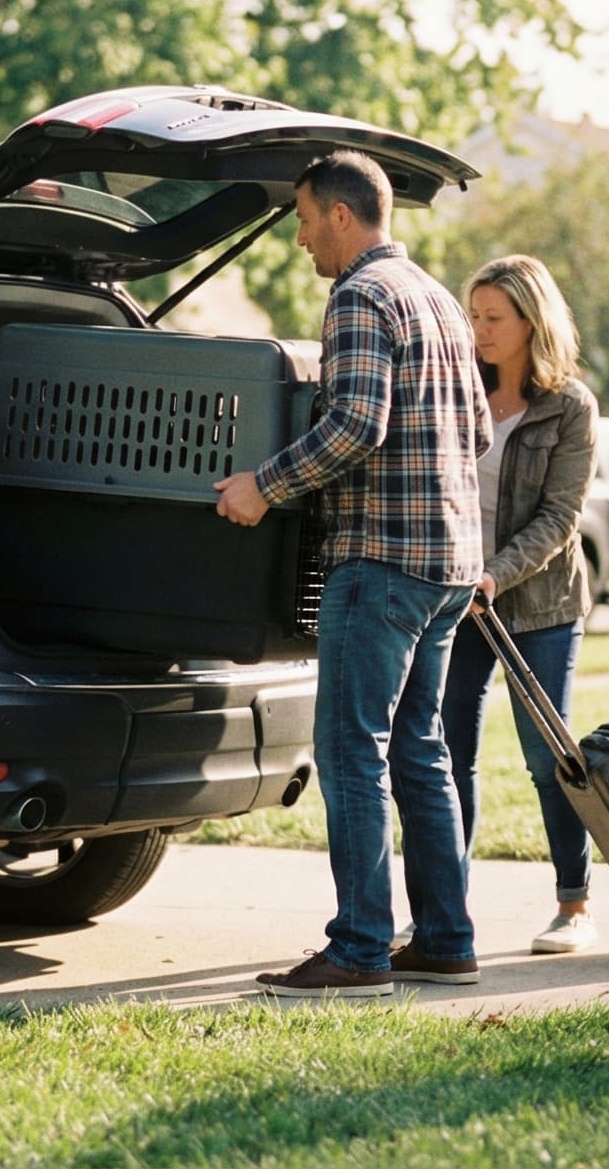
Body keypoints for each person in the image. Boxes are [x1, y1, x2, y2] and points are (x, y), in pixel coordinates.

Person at [215, 150, 491, 998]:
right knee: (420, 749)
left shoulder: (361, 296)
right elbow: (477, 431)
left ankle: (361, 949)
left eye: (301, 218)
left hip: (379, 565)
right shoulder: (439, 300)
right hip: (447, 565)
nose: (298, 239)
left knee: (350, 753)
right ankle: (445, 940)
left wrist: (261, 485)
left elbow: (355, 428)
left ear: (341, 215)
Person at [422, 254, 603, 954]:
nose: (479, 330)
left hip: (540, 606)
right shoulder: (457, 388)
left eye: (493, 318)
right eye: (473, 316)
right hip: (458, 600)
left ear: (532, 321)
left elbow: (561, 519)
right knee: (446, 753)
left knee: (546, 755)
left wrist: (494, 575)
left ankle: (574, 905)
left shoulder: (569, 406)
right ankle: (445, 909)